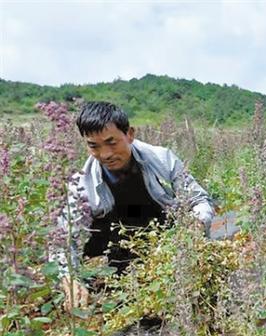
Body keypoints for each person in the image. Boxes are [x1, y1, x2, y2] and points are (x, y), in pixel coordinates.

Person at [54, 101, 215, 310]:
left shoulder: (163, 160)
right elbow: (63, 241)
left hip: (163, 235)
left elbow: (199, 200)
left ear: (129, 134)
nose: (105, 154)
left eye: (112, 142)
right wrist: (69, 279)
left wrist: (193, 230)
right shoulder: (81, 185)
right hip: (113, 242)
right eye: (94, 146)